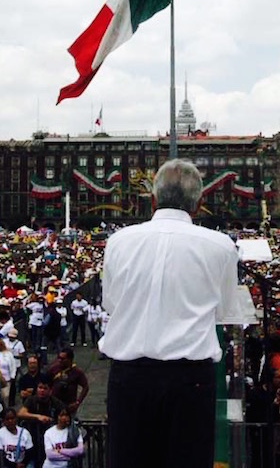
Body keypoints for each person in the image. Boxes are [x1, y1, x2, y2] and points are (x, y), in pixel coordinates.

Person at [99, 159, 240, 468]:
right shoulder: (221, 246)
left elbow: (112, 304)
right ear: (199, 202)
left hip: (130, 378)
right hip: (190, 380)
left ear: (152, 198)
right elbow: (225, 312)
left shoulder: (118, 241)